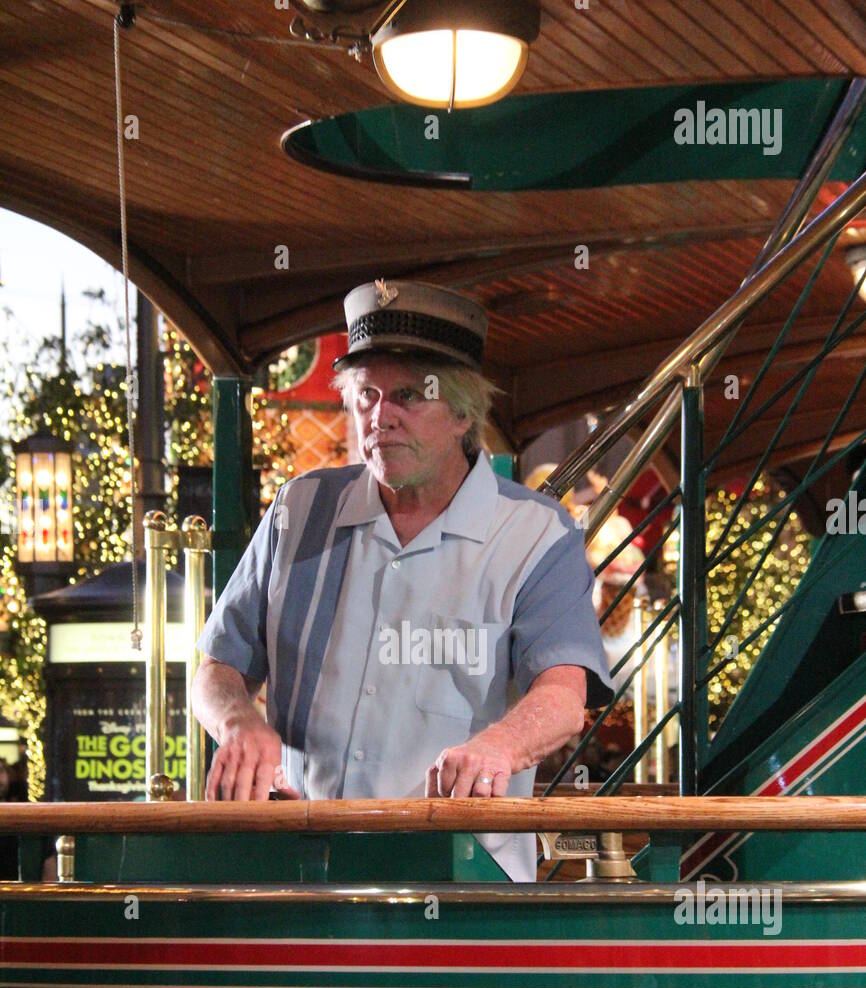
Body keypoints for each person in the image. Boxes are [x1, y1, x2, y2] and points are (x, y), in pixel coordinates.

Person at [191, 279, 614, 881]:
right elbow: (215, 671)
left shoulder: (537, 535)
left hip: (465, 884)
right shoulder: (300, 510)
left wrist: (499, 748)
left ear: (465, 411)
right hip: (303, 875)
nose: (380, 417)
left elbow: (563, 698)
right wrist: (237, 720)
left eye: (408, 396)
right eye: (366, 396)